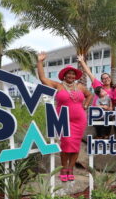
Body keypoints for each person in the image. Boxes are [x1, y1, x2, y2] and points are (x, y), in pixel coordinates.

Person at [37, 52, 92, 182]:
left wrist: (85, 105)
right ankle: (63, 168)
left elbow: (90, 95)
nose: (71, 76)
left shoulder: (80, 86)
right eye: (69, 74)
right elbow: (43, 79)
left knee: (75, 146)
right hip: (63, 120)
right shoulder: (58, 86)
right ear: (64, 75)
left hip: (79, 120)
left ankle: (71, 169)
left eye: (73, 74)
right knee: (66, 144)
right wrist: (40, 62)